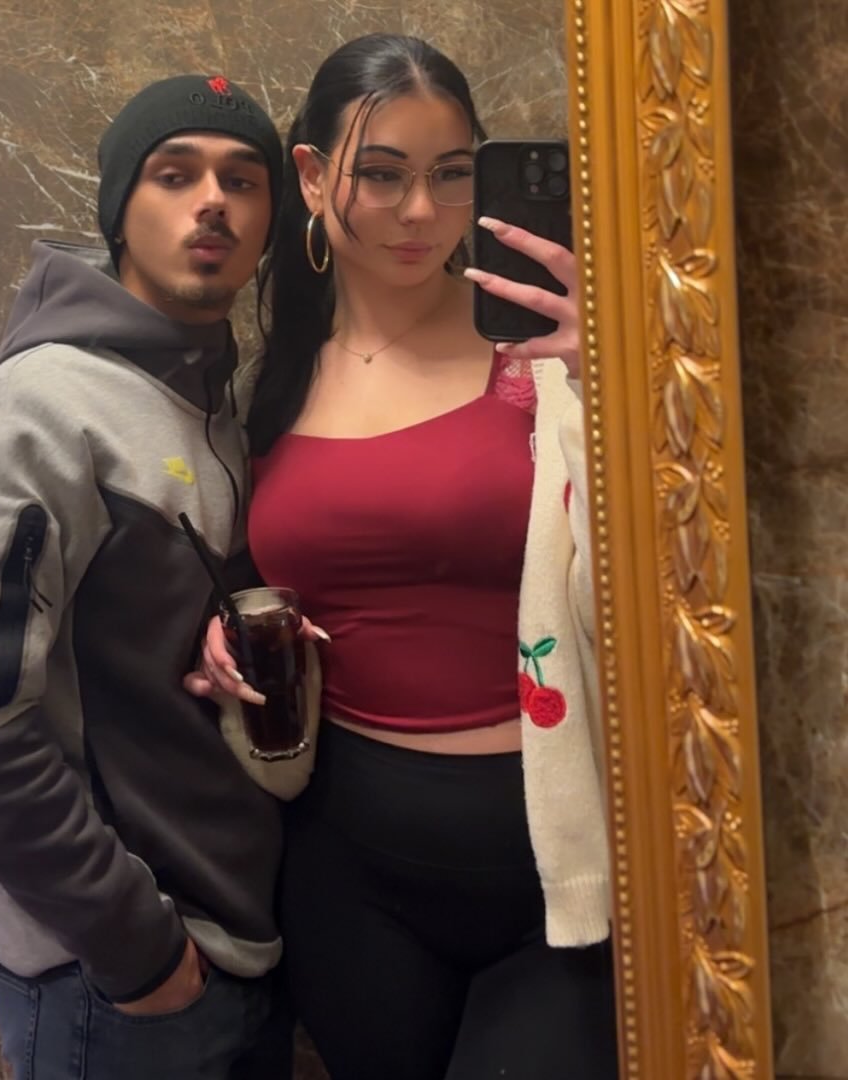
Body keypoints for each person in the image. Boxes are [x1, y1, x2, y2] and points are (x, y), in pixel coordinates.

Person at [189, 35, 619, 1080]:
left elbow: (675, 566)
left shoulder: (553, 360)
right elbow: (242, 573)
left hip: (555, 861)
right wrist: (217, 634)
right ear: (311, 176)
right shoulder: (265, 390)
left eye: (451, 173)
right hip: (347, 873)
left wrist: (620, 384)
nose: (421, 211)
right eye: (381, 174)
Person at [0, 74, 294, 1080]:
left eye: (243, 180)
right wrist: (141, 953)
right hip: (118, 987)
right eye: (176, 174)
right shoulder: (37, 410)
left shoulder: (205, 400)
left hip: (232, 944)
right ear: (120, 207)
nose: (214, 202)